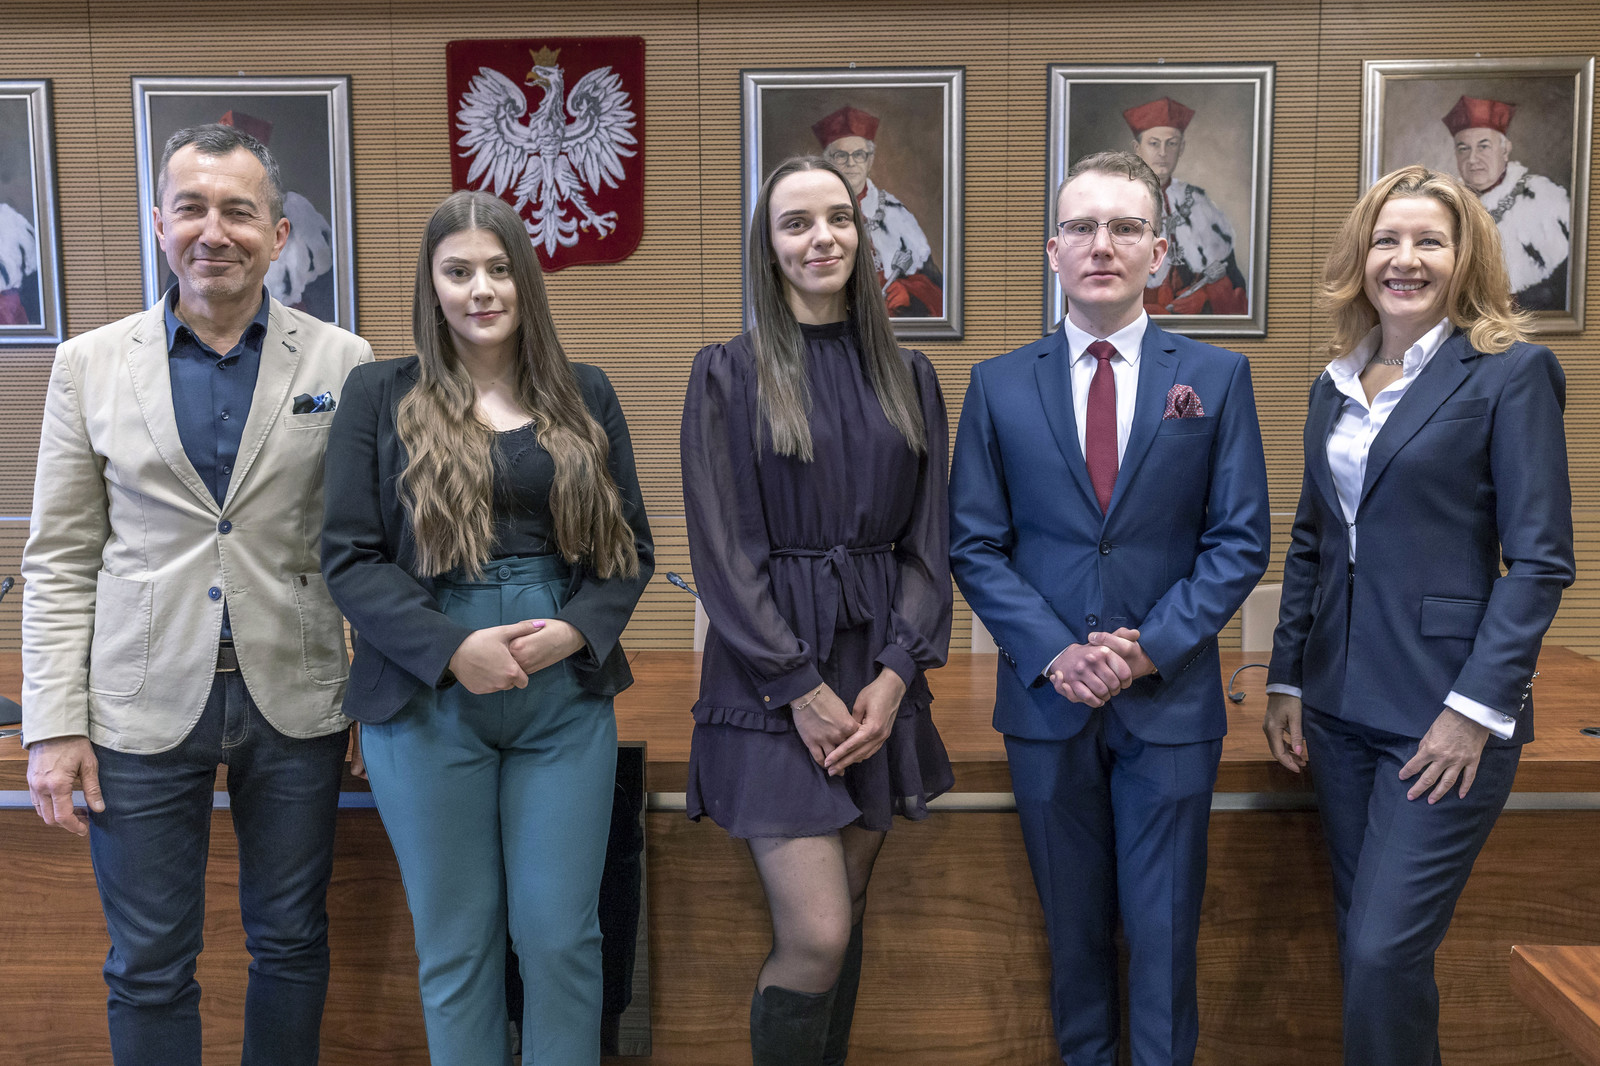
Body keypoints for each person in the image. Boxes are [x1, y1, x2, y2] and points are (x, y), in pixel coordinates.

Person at [20, 122, 371, 1065]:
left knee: (292, 944)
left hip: (297, 695)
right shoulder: (89, 364)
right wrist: (52, 723)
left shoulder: (344, 361)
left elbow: (365, 546)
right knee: (148, 964)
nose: (215, 231)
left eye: (239, 212)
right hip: (135, 701)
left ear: (278, 234)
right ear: (159, 223)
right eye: (192, 209)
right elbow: (61, 556)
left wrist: (374, 693)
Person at [949, 150, 1269, 1066]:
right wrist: (1058, 653)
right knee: (1073, 938)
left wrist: (1146, 648)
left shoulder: (1214, 377)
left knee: (1165, 941)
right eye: (1082, 227)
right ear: (1052, 250)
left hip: (1169, 705)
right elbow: (974, 543)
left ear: (1159, 252)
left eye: (1125, 228)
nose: (1102, 245)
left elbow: (1239, 540)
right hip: (1046, 706)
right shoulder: (997, 384)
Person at [320, 189, 652, 1066]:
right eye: (458, 271)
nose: (481, 289)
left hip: (563, 697)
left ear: (525, 280)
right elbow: (349, 557)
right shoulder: (377, 395)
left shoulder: (586, 393)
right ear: (431, 286)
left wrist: (575, 632)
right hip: (428, 696)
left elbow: (630, 550)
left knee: (560, 937)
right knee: (457, 943)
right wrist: (450, 649)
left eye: (499, 269)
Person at [1263, 164, 1573, 1066]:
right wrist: (1287, 678)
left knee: (1381, 950)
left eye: (1429, 241)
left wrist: (1475, 712)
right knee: (1369, 949)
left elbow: (1540, 562)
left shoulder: (1511, 373)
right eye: (1386, 240)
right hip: (1337, 712)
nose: (1405, 259)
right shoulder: (1335, 382)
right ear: (1360, 259)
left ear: (1465, 256)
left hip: (1442, 716)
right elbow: (1313, 543)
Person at [681, 155, 953, 1065]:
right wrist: (797, 685)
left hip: (877, 675)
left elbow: (929, 543)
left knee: (853, 909)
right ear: (769, 247)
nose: (821, 237)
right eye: (795, 223)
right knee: (819, 933)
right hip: (770, 683)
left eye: (838, 218)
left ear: (861, 235)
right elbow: (723, 555)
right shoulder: (728, 374)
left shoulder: (909, 375)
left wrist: (899, 671)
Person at [1442, 94, 1572, 312]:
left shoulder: (1544, 196)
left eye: (1483, 146)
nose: (1472, 159)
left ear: (1505, 149)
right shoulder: (1444, 203)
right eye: (1463, 148)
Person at [812, 105, 944, 317]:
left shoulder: (895, 213)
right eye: (841, 155)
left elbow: (936, 289)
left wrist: (908, 292)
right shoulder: (810, 209)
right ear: (828, 160)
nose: (851, 163)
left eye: (859, 154)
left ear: (870, 160)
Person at [1125, 96, 1249, 316]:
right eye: (1154, 143)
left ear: (1181, 148)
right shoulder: (1119, 198)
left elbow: (1231, 276)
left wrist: (1204, 295)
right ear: (1137, 148)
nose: (1163, 153)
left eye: (1171, 144)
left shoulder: (1198, 201)